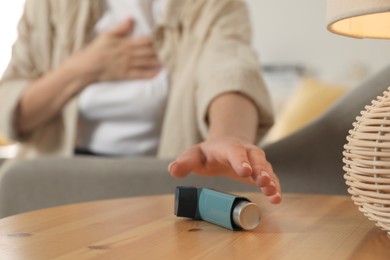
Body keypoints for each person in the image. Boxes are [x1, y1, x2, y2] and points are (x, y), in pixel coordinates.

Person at [0, 0, 281, 204]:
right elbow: (11, 109)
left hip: (156, 184)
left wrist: (228, 136)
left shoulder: (212, 5)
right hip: (50, 184)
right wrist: (87, 67)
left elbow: (231, 64)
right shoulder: (45, 5)